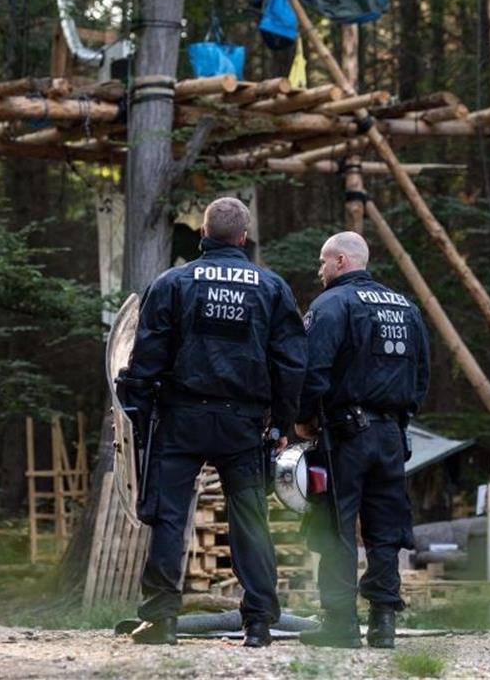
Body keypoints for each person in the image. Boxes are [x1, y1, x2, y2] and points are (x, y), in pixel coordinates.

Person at [122, 196, 307, 648]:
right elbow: (291, 363)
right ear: (243, 238)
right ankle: (260, 621)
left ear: (203, 235)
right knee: (249, 519)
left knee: (169, 517)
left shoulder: (172, 282)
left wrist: (139, 414)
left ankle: (161, 620)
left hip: (180, 419)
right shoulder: (272, 287)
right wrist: (283, 423)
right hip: (243, 424)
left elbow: (145, 357)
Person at [294, 231, 430, 649]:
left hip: (344, 438)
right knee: (385, 530)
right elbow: (422, 375)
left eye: (322, 262)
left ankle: (340, 624)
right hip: (391, 436)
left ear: (339, 261)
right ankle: (383, 624)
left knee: (335, 525)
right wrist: (398, 418)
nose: (319, 271)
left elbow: (312, 370)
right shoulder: (406, 307)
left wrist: (302, 420)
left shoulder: (332, 304)